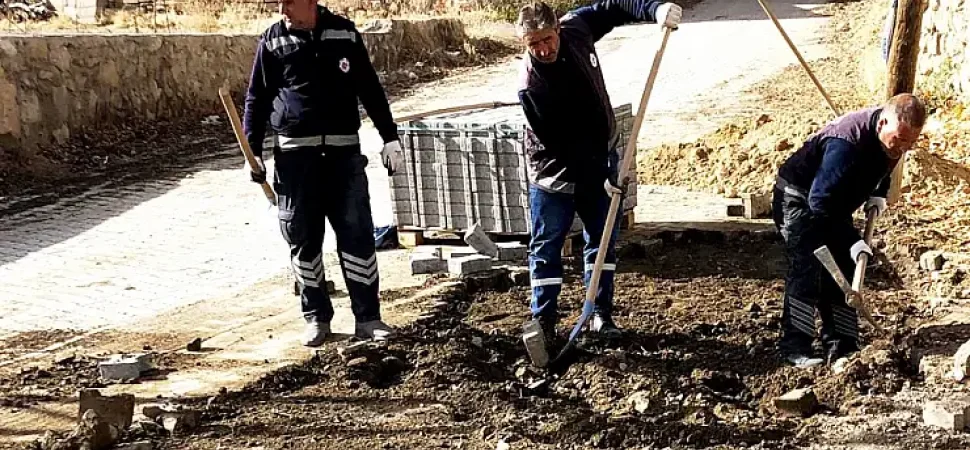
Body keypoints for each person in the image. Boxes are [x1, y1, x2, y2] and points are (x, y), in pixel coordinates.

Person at [515, 0, 682, 342]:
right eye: (533, 44)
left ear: (557, 29)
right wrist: (604, 178)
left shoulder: (576, 29)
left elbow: (615, 6)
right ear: (524, 43)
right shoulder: (532, 85)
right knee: (547, 247)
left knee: (602, 243)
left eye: (546, 39)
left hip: (599, 159)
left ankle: (599, 316)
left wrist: (654, 10)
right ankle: (544, 323)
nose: (542, 49)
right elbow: (562, 145)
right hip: (554, 171)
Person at [242, 0, 405, 346]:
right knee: (302, 238)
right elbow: (257, 97)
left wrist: (390, 137)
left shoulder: (344, 33)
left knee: (357, 234)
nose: (283, 9)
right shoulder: (272, 40)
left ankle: (368, 317)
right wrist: (252, 150)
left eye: (288, 2)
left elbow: (370, 88)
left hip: (343, 157)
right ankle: (316, 318)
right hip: (295, 161)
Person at [772, 93, 926, 368]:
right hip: (798, 199)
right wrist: (852, 239)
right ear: (882, 124)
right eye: (900, 139)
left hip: (831, 203)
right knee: (808, 268)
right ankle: (796, 347)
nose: (903, 148)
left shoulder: (890, 139)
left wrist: (878, 191)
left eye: (910, 142)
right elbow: (819, 203)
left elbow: (882, 164)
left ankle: (843, 345)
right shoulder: (846, 145)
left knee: (842, 270)